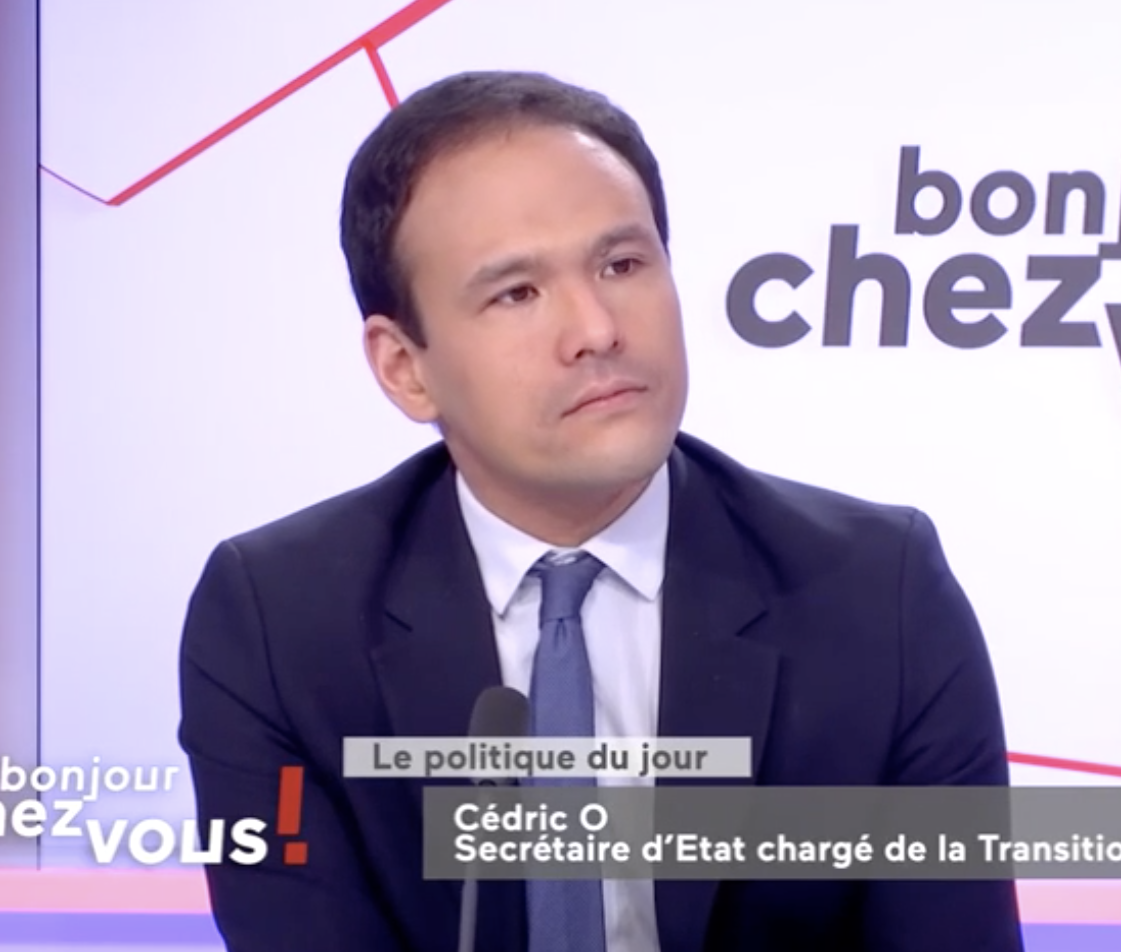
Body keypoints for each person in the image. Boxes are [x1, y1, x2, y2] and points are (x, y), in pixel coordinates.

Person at [178, 70, 1023, 952]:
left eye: (622, 265)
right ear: (405, 368)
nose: (597, 328)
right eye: (516, 292)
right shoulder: (278, 624)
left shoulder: (878, 594)